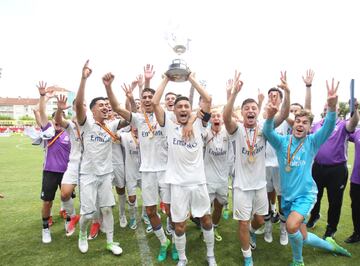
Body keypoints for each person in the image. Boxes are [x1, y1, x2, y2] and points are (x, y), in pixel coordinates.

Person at [263, 78, 351, 266]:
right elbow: (268, 132)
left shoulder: (312, 142)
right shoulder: (282, 143)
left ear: (310, 127)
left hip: (305, 196)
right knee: (302, 236)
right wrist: (270, 116)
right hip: (287, 197)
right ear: (293, 124)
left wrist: (333, 107)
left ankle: (298, 261)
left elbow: (328, 127)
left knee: (291, 225)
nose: (300, 124)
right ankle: (331, 247)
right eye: (298, 121)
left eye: (305, 122)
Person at [103, 72, 174, 262]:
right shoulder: (137, 118)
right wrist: (108, 86)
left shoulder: (166, 116)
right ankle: (163, 242)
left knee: (171, 210)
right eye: (145, 97)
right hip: (147, 172)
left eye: (151, 97)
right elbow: (117, 107)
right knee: (151, 211)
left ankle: (175, 241)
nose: (148, 99)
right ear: (141, 102)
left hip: (167, 171)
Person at [223, 71, 289, 266]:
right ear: (242, 113)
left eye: (253, 108)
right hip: (242, 186)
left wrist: (287, 92)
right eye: (247, 108)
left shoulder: (264, 127)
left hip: (260, 185)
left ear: (257, 112)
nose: (250, 110)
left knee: (259, 220)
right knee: (243, 222)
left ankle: (252, 233)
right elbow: (226, 118)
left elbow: (283, 115)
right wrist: (233, 93)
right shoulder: (237, 129)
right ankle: (247, 258)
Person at [152, 73, 217, 266]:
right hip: (178, 185)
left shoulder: (199, 122)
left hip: (198, 182)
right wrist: (166, 78)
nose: (182, 109)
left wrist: (190, 78)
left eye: (186, 106)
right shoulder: (168, 126)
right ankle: (182, 258)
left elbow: (208, 99)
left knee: (206, 221)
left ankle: (211, 256)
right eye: (178, 106)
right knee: (179, 226)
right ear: (173, 110)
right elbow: (155, 103)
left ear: (191, 110)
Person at [75, 61, 124, 255]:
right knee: (87, 213)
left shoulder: (111, 125)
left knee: (106, 209)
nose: (105, 107)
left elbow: (127, 116)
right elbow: (79, 104)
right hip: (88, 175)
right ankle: (82, 233)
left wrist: (111, 89)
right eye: (101, 105)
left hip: (106, 175)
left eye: (107, 105)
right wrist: (83, 79)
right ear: (93, 109)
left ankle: (110, 242)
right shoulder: (86, 124)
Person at [307, 85, 359, 238]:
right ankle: (314, 216)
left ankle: (331, 228)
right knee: (314, 196)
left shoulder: (343, 124)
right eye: (326, 106)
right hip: (317, 167)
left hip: (336, 170)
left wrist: (354, 110)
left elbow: (353, 123)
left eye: (331, 106)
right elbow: (307, 112)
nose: (328, 108)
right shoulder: (317, 125)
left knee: (334, 201)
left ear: (338, 110)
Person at [36, 81, 71, 244]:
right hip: (50, 171)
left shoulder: (69, 133)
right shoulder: (48, 132)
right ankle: (45, 229)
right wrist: (43, 96)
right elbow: (41, 112)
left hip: (66, 172)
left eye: (60, 119)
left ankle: (68, 221)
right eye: (55, 120)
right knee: (48, 201)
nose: (57, 122)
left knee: (67, 198)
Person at [54, 96, 84, 237]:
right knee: (65, 193)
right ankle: (72, 216)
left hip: (89, 166)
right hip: (74, 164)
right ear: (73, 108)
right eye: (77, 105)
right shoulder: (71, 125)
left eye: (83, 104)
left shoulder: (93, 123)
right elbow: (59, 120)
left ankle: (97, 221)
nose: (80, 107)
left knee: (90, 199)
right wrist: (60, 109)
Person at [203, 108, 232, 242]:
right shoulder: (205, 133)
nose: (216, 118)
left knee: (219, 206)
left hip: (223, 179)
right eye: (213, 116)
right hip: (208, 179)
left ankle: (214, 227)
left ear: (222, 120)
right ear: (210, 120)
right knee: (205, 209)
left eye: (218, 116)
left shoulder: (228, 133)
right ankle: (206, 230)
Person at [345, 100, 360, 243]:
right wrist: (354, 110)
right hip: (357, 180)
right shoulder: (358, 133)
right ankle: (357, 233)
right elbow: (347, 129)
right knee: (356, 207)